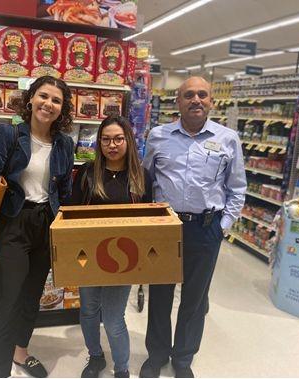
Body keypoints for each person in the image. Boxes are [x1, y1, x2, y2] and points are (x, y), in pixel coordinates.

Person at [140, 76, 246, 378]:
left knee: (195, 299)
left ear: (212, 100)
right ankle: (157, 355)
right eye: (189, 95)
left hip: (206, 228)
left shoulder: (228, 138)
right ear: (178, 101)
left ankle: (183, 358)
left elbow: (237, 188)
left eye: (202, 94)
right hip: (165, 228)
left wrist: (222, 226)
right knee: (159, 295)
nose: (195, 100)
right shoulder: (158, 136)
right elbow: (147, 180)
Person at [0, 75, 75, 378]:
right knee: (8, 304)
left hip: (45, 224)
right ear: (30, 99)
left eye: (56, 100)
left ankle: (21, 353)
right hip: (11, 225)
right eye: (44, 96)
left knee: (31, 296)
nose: (49, 104)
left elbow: (64, 192)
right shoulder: (9, 135)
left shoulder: (64, 144)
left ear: (62, 108)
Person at [69, 115, 153, 378]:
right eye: (106, 139)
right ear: (99, 143)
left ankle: (122, 369)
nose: (112, 145)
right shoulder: (86, 172)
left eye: (118, 138)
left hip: (123, 257)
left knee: (115, 318)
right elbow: (71, 214)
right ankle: (95, 357)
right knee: (89, 311)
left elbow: (149, 220)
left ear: (128, 140)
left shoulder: (141, 176)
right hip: (88, 255)